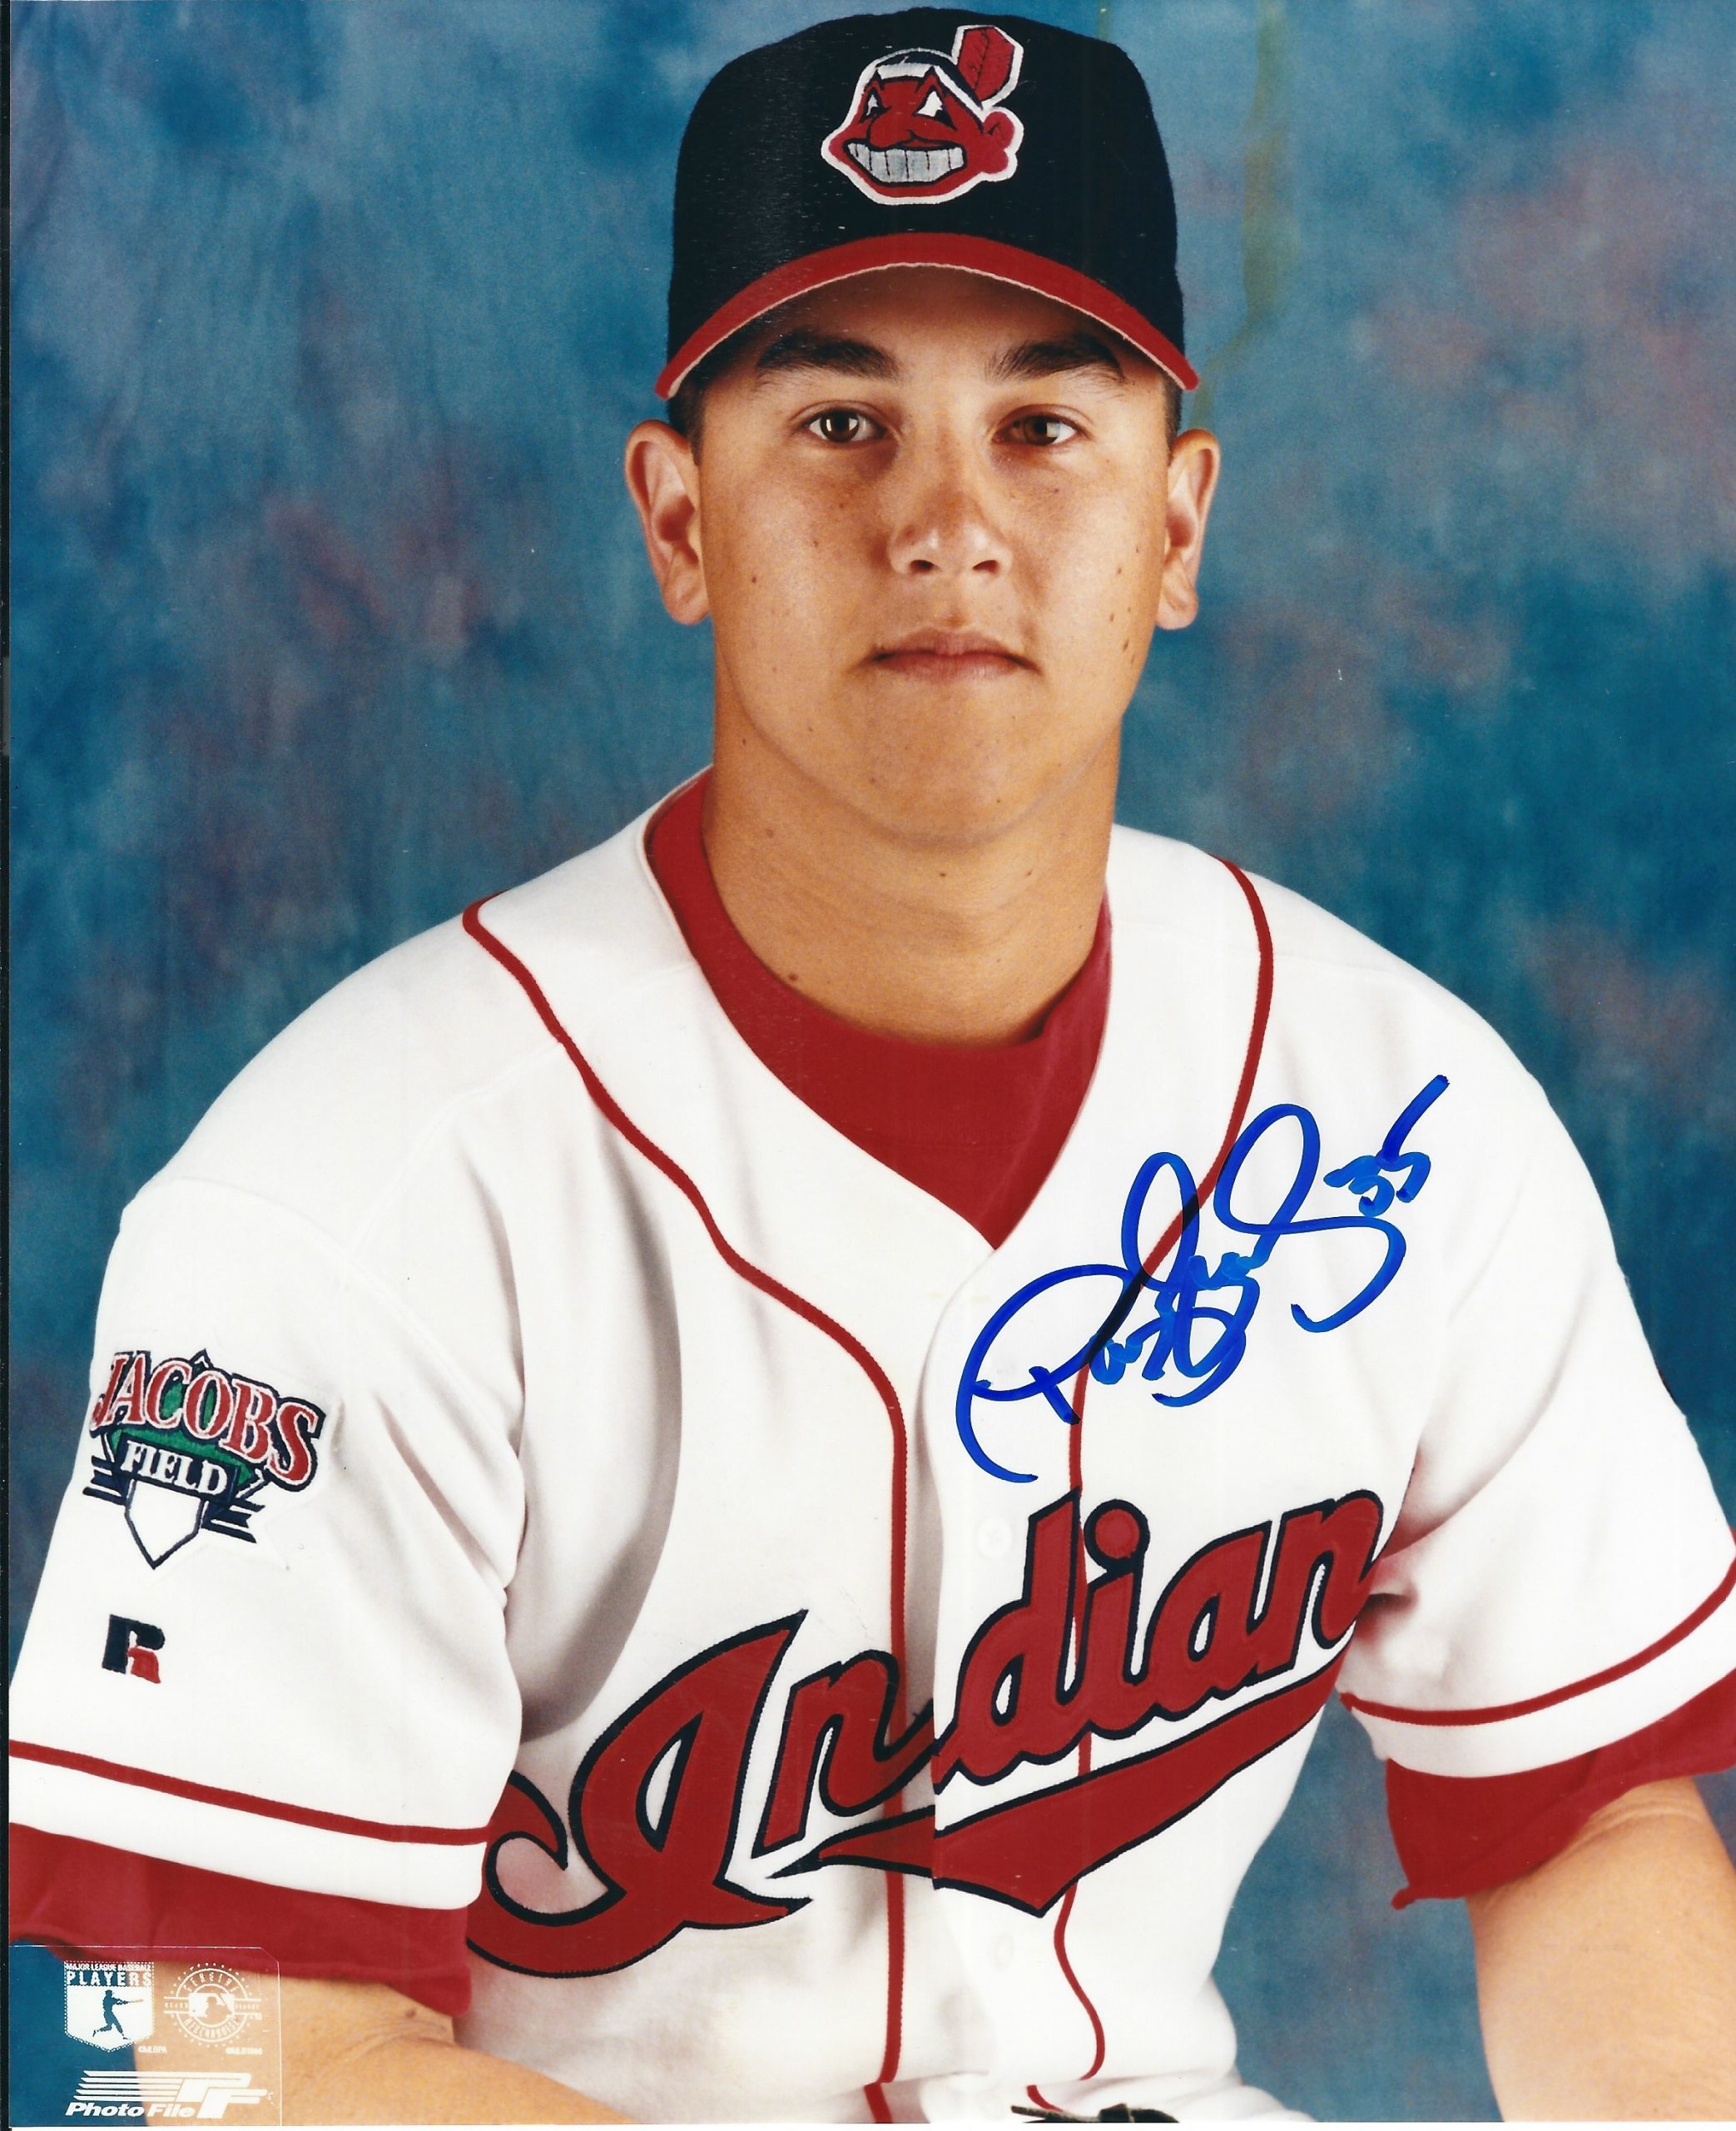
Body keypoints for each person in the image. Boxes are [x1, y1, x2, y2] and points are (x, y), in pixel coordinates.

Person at [11, 10, 1736, 2123]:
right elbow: (208, 2052)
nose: (945, 519)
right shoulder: (347, 1196)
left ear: (1176, 524)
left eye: (1043, 424)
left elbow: (1586, 1811)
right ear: (678, 519)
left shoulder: (1404, 1115)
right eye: (838, 422)